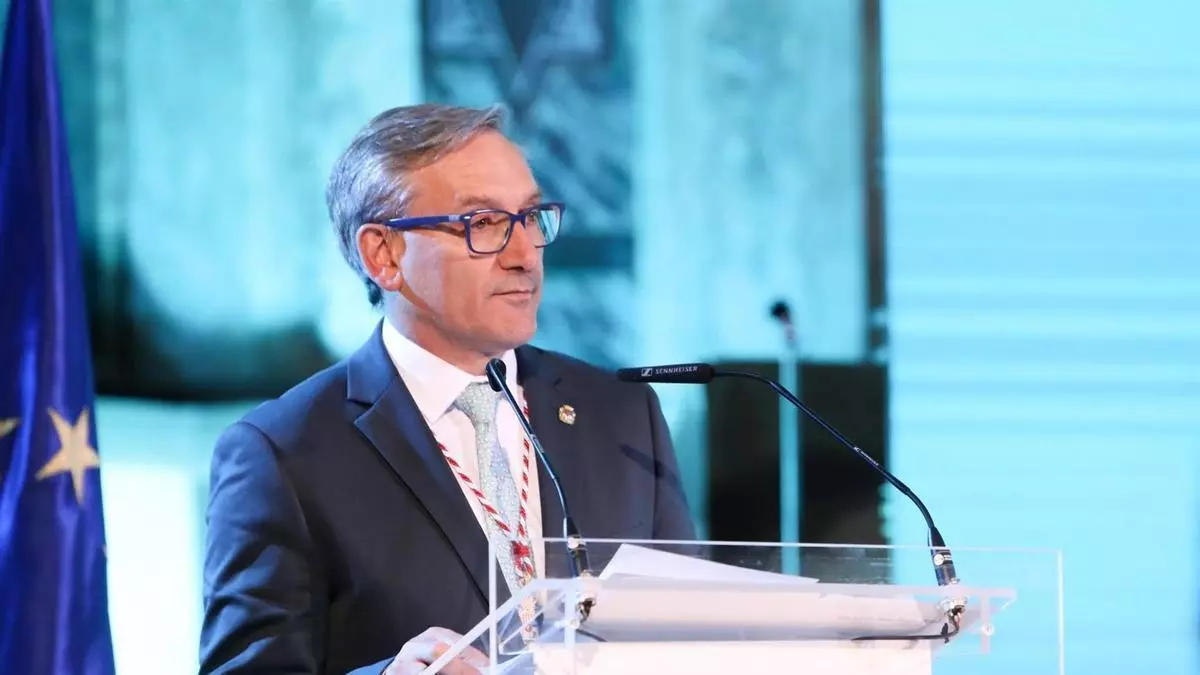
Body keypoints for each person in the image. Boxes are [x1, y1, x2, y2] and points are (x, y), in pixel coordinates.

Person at [198, 103, 696, 675]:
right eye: (483, 224)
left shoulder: (622, 416)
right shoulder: (284, 454)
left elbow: (687, 632)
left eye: (531, 217)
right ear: (383, 254)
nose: (524, 255)